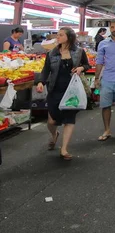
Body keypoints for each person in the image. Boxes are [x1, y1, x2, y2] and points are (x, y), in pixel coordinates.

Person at [36, 27, 90, 161]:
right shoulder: (52, 53)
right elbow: (46, 70)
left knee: (69, 119)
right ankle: (54, 134)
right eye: (57, 35)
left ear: (69, 37)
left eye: (60, 35)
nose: (57, 37)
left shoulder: (79, 52)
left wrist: (81, 68)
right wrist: (41, 82)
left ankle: (64, 149)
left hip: (72, 90)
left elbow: (87, 65)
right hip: (55, 89)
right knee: (51, 120)